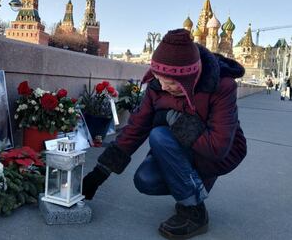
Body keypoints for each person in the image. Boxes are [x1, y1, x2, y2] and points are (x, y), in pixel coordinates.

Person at [82, 29, 247, 239]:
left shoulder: (222, 85)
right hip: (182, 149)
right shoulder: (157, 87)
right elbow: (135, 128)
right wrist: (99, 174)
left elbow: (218, 147)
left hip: (218, 153)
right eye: (159, 79)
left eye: (170, 83)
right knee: (145, 179)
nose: (163, 87)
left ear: (190, 77)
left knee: (159, 135)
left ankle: (195, 212)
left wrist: (174, 119)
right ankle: (191, 186)